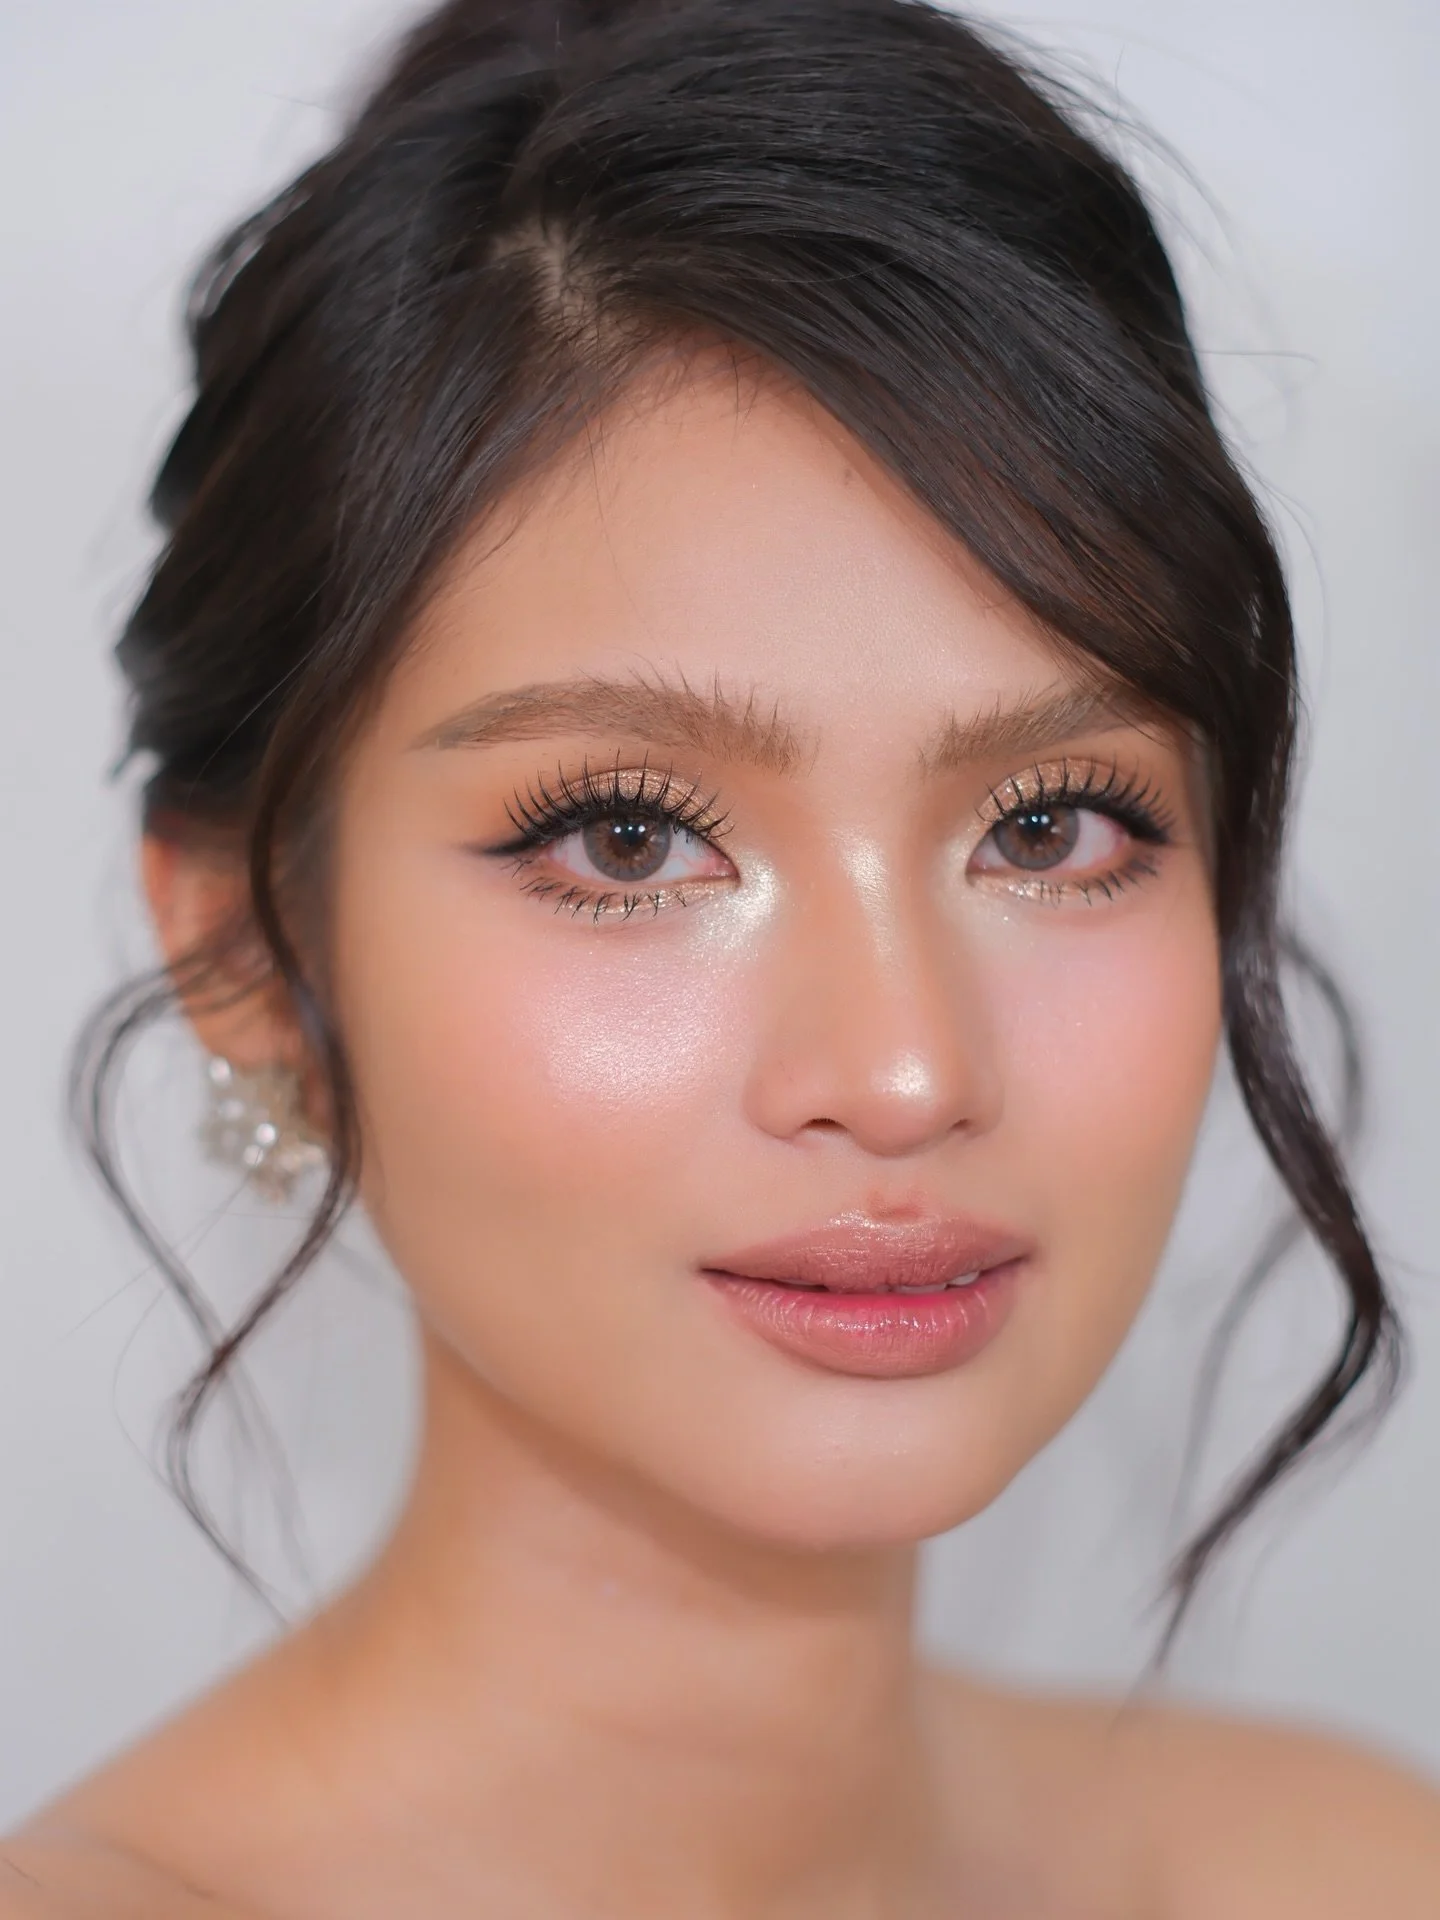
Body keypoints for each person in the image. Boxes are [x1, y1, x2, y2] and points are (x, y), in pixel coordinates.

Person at [4, 1, 1437, 1912]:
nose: (908, 1065)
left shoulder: (1350, 1867)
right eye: (628, 839)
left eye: (1049, 826)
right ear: (251, 956)